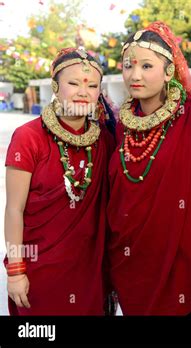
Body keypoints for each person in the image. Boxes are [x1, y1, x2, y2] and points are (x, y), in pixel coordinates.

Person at [106, 21, 191, 315]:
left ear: (169, 71)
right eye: (128, 66)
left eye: (147, 66)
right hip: (133, 259)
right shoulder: (121, 128)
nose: (135, 75)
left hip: (183, 259)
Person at [4, 48, 115, 315]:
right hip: (40, 270)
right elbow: (13, 209)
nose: (82, 92)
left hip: (89, 269)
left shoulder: (105, 140)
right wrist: (16, 270)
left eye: (92, 85)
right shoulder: (28, 137)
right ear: (55, 86)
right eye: (73, 83)